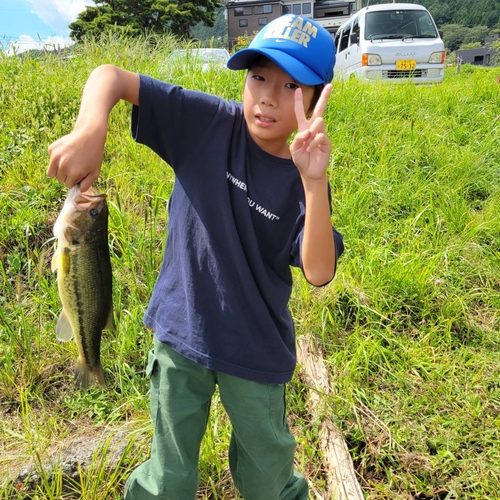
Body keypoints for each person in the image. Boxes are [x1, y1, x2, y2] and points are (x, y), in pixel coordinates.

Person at [47, 13, 344, 500]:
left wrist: (313, 182)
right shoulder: (208, 124)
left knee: (267, 478)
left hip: (256, 351)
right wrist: (90, 128)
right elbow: (111, 78)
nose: (267, 95)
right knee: (169, 473)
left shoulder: (304, 176)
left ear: (314, 98)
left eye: (290, 84)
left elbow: (318, 271)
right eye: (258, 77)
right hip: (180, 335)